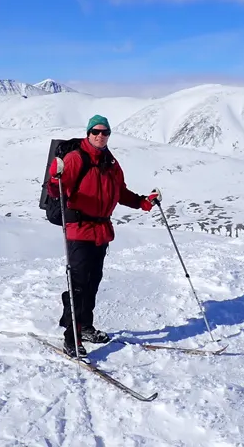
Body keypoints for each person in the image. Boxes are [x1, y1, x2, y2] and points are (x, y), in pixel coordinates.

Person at [47, 114, 161, 357]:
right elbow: (56, 187)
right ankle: (72, 337)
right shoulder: (76, 158)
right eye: (95, 131)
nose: (100, 136)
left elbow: (120, 192)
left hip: (101, 232)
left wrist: (143, 203)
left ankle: (85, 326)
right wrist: (54, 174)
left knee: (92, 282)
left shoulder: (110, 162)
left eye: (105, 132)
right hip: (78, 230)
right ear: (88, 133)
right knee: (77, 285)